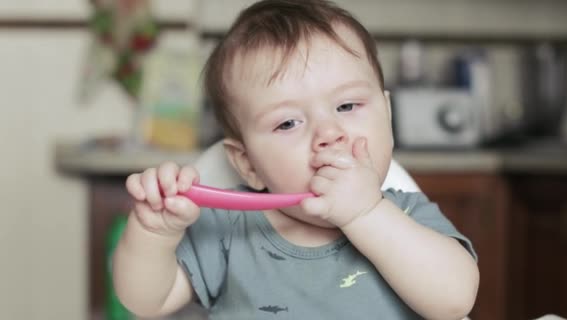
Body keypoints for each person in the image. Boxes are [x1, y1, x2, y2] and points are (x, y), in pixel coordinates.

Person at [112, 0, 480, 319]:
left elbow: (454, 301)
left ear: (387, 115)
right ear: (248, 164)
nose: (328, 134)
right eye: (288, 123)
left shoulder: (406, 217)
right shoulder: (232, 229)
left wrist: (365, 213)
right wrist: (154, 233)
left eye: (347, 105)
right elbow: (148, 301)